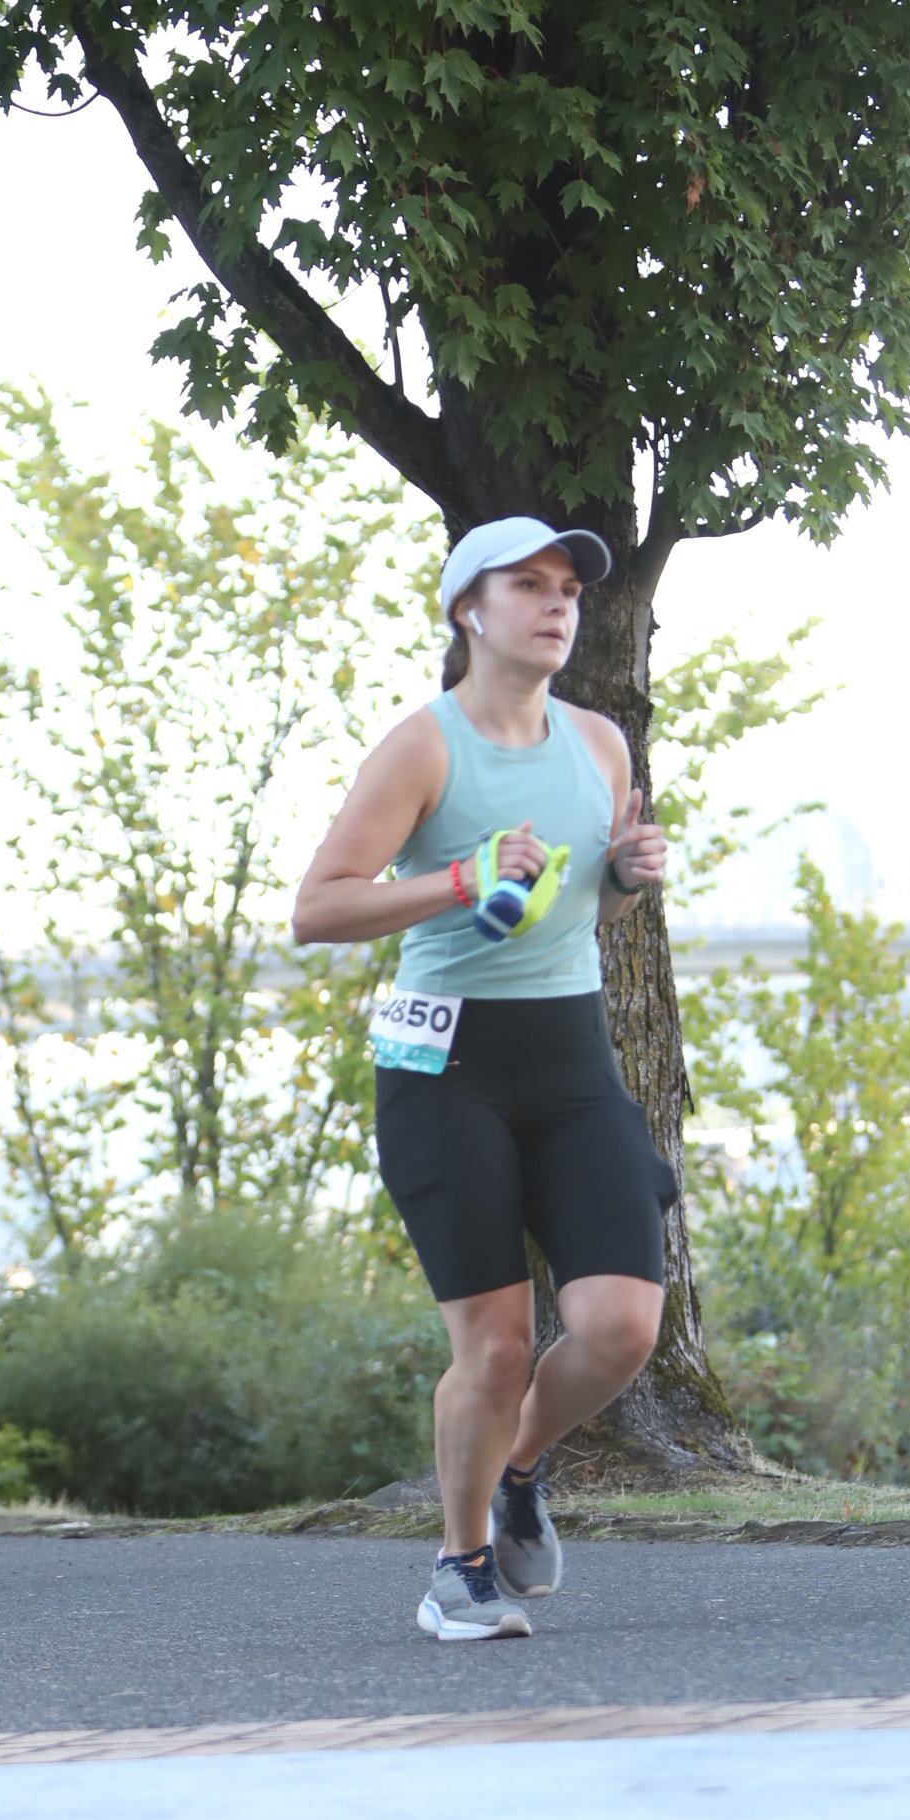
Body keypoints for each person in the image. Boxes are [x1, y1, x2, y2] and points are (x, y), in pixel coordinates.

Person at [293, 516, 673, 1639]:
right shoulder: (423, 748)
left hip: (570, 1060)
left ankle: (517, 1467)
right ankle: (456, 1574)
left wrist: (626, 881)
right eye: (530, 586)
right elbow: (319, 908)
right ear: (469, 610)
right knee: (496, 1344)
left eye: (569, 590)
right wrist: (458, 877)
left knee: (620, 1327)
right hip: (444, 1067)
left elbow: (582, 917)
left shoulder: (600, 745)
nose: (558, 605)